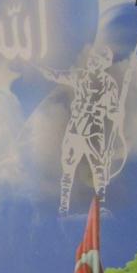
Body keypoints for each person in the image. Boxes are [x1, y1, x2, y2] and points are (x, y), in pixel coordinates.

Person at [42, 46, 124, 212]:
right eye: (92, 58)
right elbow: (57, 75)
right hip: (75, 129)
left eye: (97, 59)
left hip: (94, 131)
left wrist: (116, 113)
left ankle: (100, 207)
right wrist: (41, 67)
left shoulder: (109, 84)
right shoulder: (79, 76)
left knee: (98, 169)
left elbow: (112, 110)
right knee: (67, 168)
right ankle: (63, 207)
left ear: (104, 63)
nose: (92, 61)